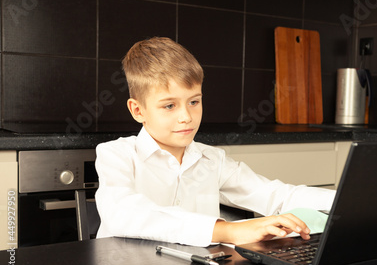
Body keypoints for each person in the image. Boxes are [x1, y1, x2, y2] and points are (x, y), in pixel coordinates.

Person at [95, 37, 335, 247]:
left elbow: (276, 195)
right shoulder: (116, 155)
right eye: (169, 105)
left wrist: (347, 201)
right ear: (138, 110)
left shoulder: (212, 160)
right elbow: (124, 213)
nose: (186, 116)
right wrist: (227, 231)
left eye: (194, 102)